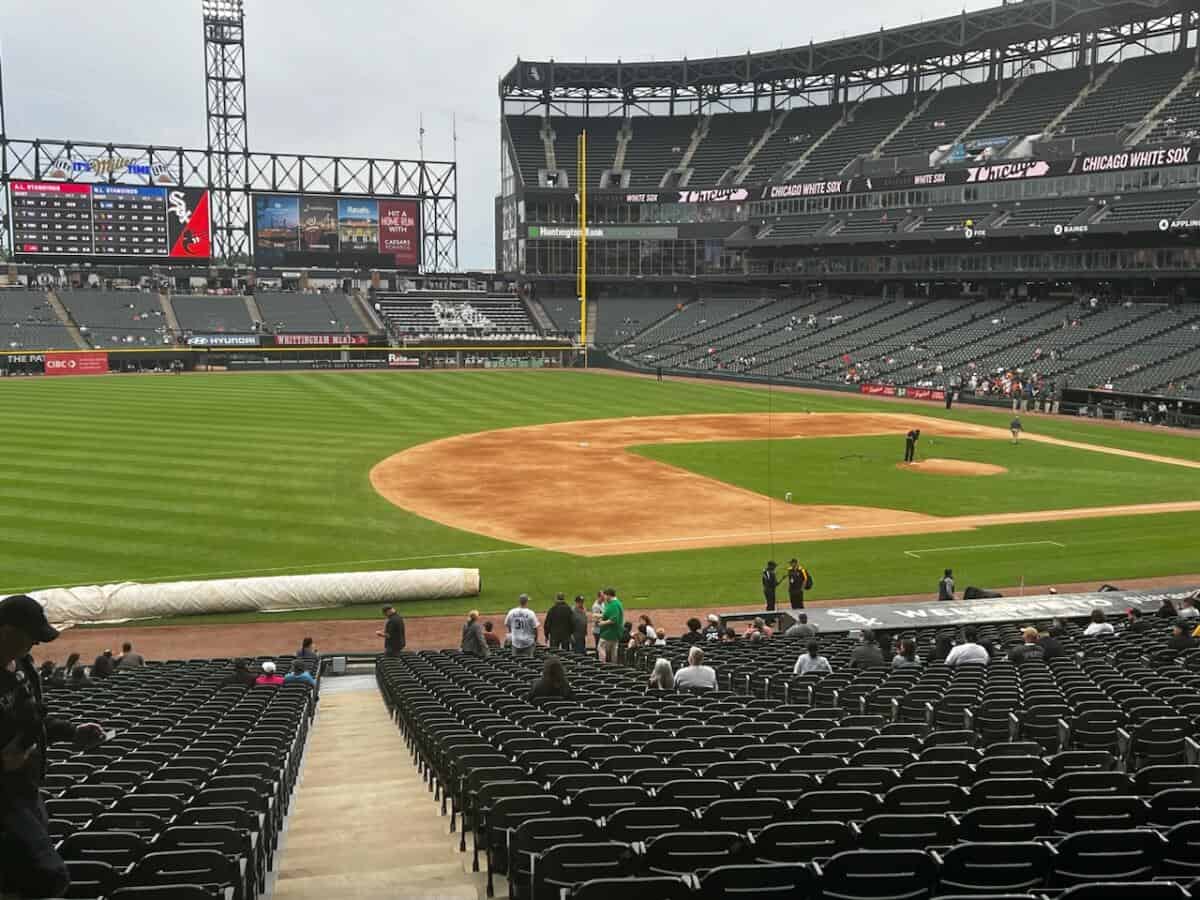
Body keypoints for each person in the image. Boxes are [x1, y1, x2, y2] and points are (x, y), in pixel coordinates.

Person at [0, 595, 106, 898]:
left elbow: (34, 718)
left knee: (16, 876)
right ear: (7, 632)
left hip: (26, 788)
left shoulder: (21, 665)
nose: (34, 646)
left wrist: (73, 732)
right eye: (30, 638)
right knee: (48, 877)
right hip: (5, 799)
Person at [596, 588, 624, 663]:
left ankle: (603, 666)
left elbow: (614, 620)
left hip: (609, 633)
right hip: (615, 633)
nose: (604, 598)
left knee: (601, 647)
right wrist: (598, 615)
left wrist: (602, 623)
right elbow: (609, 614)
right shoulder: (616, 603)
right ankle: (613, 667)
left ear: (609, 595)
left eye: (605, 596)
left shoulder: (613, 605)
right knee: (613, 651)